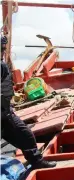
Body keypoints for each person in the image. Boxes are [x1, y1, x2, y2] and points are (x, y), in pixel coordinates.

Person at [1, 35, 56, 169]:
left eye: (3, 49)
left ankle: (36, 161)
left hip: (6, 112)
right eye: (2, 49)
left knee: (25, 135)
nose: (3, 52)